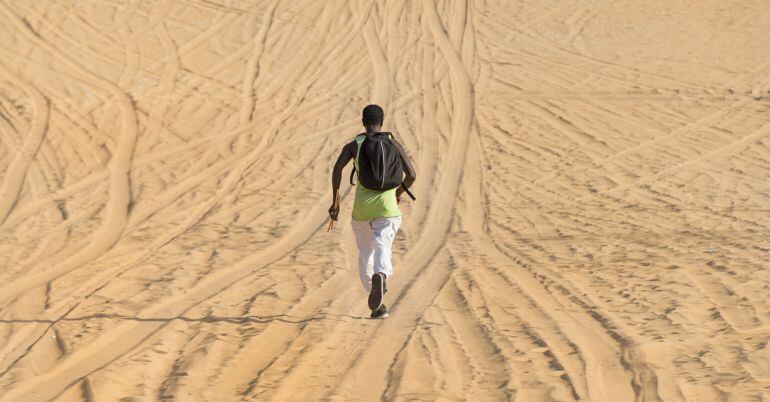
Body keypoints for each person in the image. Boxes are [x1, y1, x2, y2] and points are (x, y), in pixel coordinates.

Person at [329, 104, 416, 319]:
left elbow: (337, 169)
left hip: (362, 209)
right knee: (382, 243)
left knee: (365, 255)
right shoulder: (392, 142)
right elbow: (412, 175)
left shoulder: (355, 145)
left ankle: (377, 305)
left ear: (363, 122)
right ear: (382, 122)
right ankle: (381, 274)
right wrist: (398, 194)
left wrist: (336, 202)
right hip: (388, 208)